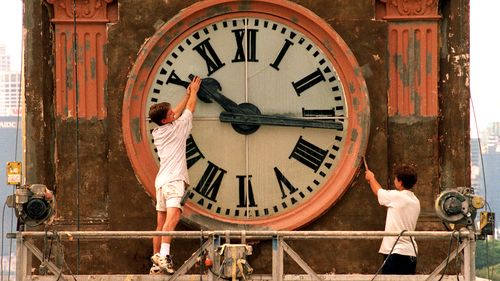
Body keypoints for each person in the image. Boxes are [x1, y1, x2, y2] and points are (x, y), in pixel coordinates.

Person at [148, 76, 201, 274]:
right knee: (174, 217)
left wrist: (185, 95)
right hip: (174, 181)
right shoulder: (178, 128)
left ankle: (155, 263)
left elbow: (177, 112)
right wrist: (193, 93)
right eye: (170, 113)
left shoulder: (158, 132)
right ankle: (164, 255)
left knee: (160, 224)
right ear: (165, 120)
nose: (174, 113)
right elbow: (188, 111)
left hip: (161, 182)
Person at [364, 164, 420, 275]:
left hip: (395, 252)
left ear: (400, 182)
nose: (394, 180)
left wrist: (371, 178)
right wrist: (372, 181)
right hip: (411, 253)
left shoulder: (397, 197)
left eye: (395, 178)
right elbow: (382, 192)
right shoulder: (415, 200)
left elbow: (378, 192)